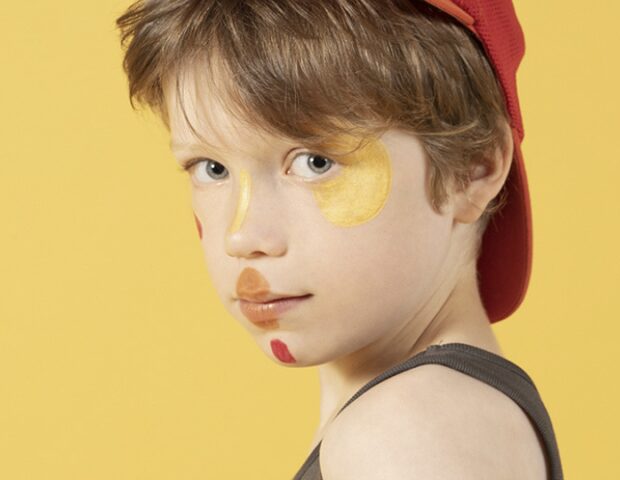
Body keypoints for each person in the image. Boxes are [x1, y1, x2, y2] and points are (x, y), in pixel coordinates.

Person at [115, 0, 564, 478]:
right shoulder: (438, 417)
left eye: (316, 162)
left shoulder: (406, 432)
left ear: (473, 170)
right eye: (211, 168)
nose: (242, 236)